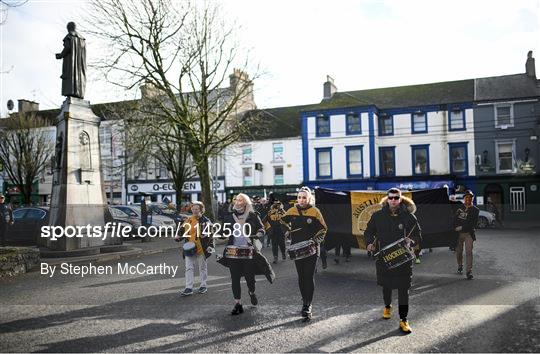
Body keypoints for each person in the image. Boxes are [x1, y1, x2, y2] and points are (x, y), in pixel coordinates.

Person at [365, 188, 421, 334]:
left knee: (404, 289)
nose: (394, 200)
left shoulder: (409, 217)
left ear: (400, 199)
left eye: (396, 198)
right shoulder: (378, 216)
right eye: (391, 198)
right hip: (385, 258)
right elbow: (368, 231)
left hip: (403, 259)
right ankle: (387, 306)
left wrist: (412, 241)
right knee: (386, 286)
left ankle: (404, 320)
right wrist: (369, 243)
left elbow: (418, 235)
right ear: (387, 199)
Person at [281, 187, 327, 322]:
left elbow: (323, 229)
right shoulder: (292, 210)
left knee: (308, 276)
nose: (301, 200)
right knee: (301, 277)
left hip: (312, 250)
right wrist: (287, 230)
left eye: (304, 197)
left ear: (309, 199)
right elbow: (283, 221)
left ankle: (307, 305)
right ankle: (305, 298)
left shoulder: (315, 212)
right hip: (297, 249)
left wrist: (315, 241)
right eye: (299, 197)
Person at [222, 193, 266, 315]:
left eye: (240, 200)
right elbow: (222, 231)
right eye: (236, 200)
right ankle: (238, 303)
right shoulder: (229, 217)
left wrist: (259, 234)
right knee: (234, 278)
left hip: (248, 251)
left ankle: (251, 292)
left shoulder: (252, 216)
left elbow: (261, 228)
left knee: (249, 277)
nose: (237, 202)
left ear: (245, 203)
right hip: (233, 251)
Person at [176, 201, 214, 296]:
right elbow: (182, 230)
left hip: (201, 248)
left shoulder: (206, 221)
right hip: (189, 248)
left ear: (201, 210)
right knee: (188, 268)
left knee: (202, 267)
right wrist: (178, 237)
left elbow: (211, 235)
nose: (194, 211)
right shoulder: (188, 220)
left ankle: (203, 285)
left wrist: (210, 246)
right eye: (193, 209)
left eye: (197, 209)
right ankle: (188, 288)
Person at [55, 22, 86, 99]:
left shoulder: (69, 36)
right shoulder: (82, 39)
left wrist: (60, 55)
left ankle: (71, 91)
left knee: (71, 75)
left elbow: (67, 47)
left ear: (68, 28)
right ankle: (79, 92)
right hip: (80, 65)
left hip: (70, 63)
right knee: (79, 76)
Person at [454, 190, 479, 280]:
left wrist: (461, 227)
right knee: (459, 252)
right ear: (464, 198)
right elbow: (455, 219)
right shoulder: (459, 207)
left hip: (469, 234)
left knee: (469, 252)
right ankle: (460, 265)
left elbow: (473, 224)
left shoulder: (475, 210)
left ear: (472, 198)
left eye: (470, 197)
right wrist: (455, 227)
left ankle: (469, 271)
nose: (468, 199)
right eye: (466, 197)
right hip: (458, 234)